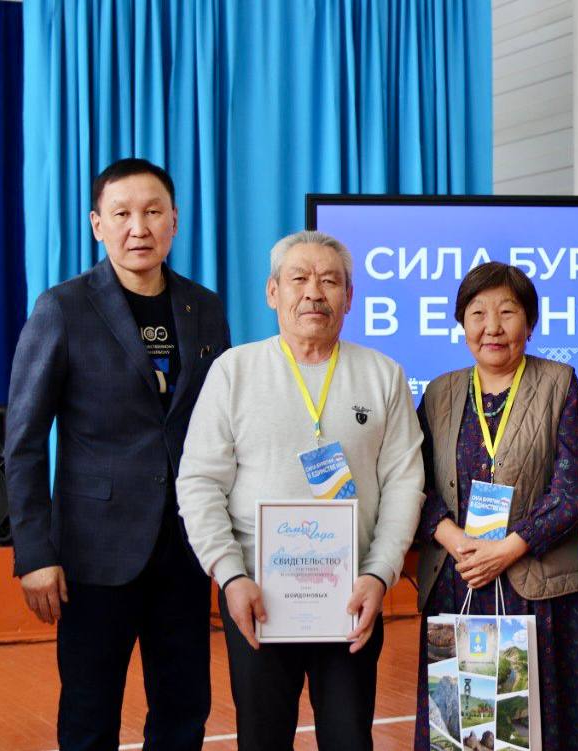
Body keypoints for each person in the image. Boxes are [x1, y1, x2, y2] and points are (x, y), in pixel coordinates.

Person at [5, 157, 230, 749]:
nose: (139, 227)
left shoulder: (204, 307)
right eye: (122, 213)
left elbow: (222, 426)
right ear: (96, 224)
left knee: (184, 711)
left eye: (153, 212)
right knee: (89, 715)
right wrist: (34, 552)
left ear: (174, 220)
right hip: (93, 552)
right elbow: (24, 440)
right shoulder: (63, 308)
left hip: (186, 548)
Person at [176, 230, 424, 751]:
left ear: (349, 297)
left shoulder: (383, 375)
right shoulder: (233, 372)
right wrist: (230, 575)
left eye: (330, 281)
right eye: (299, 279)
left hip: (352, 600)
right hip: (258, 600)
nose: (314, 292)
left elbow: (404, 485)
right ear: (273, 292)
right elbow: (199, 482)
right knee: (262, 740)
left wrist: (380, 574)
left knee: (349, 739)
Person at [413, 262, 578, 750]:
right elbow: (411, 480)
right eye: (478, 313)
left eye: (507, 312)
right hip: (460, 579)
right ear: (462, 324)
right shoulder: (439, 393)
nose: (492, 327)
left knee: (540, 726)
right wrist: (455, 539)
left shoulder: (559, 383)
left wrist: (509, 547)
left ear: (530, 321)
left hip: (539, 589)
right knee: (464, 728)